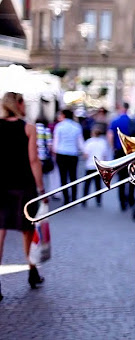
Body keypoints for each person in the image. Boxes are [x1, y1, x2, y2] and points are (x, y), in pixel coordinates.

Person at [0, 92, 46, 301]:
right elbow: (34, 160)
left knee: (0, 233)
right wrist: (42, 189)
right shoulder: (28, 127)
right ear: (17, 104)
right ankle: (32, 271)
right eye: (23, 102)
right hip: (23, 185)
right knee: (27, 231)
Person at [107, 102, 135, 213]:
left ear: (120, 108)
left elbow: (110, 136)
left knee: (121, 178)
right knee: (132, 177)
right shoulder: (133, 121)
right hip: (132, 153)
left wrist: (113, 148)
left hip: (119, 152)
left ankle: (122, 202)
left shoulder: (115, 121)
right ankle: (131, 200)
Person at [52, 109, 84, 205]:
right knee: (73, 176)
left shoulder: (59, 126)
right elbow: (80, 142)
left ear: (64, 115)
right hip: (73, 154)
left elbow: (56, 141)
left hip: (61, 153)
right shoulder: (77, 126)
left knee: (63, 176)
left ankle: (66, 198)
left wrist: (54, 151)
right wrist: (84, 151)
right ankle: (74, 197)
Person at [82, 125, 111, 207]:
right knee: (98, 184)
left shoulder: (89, 142)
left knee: (87, 184)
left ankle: (84, 199)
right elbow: (105, 155)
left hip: (90, 165)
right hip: (99, 166)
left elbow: (85, 155)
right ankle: (98, 200)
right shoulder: (103, 142)